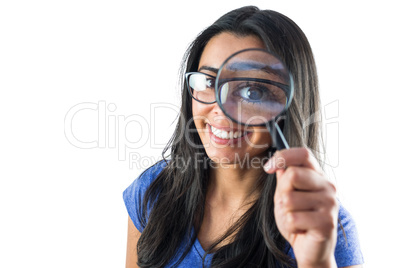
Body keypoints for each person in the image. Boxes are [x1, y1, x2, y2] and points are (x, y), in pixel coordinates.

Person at [123, 6, 363, 268]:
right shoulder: (152, 191)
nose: (220, 109)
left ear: (289, 107)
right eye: (208, 81)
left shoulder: (325, 225)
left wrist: (316, 261)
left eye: (253, 91)